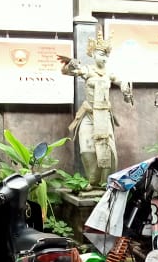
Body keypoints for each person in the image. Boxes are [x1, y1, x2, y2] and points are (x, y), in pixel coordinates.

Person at [57, 29, 134, 187]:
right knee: (86, 150)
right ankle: (93, 181)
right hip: (88, 114)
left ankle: (107, 182)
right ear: (93, 54)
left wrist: (126, 86)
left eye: (106, 55)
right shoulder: (88, 70)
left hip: (104, 116)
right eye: (101, 54)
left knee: (109, 151)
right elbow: (67, 71)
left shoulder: (109, 73)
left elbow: (120, 81)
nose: (104, 58)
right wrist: (71, 64)